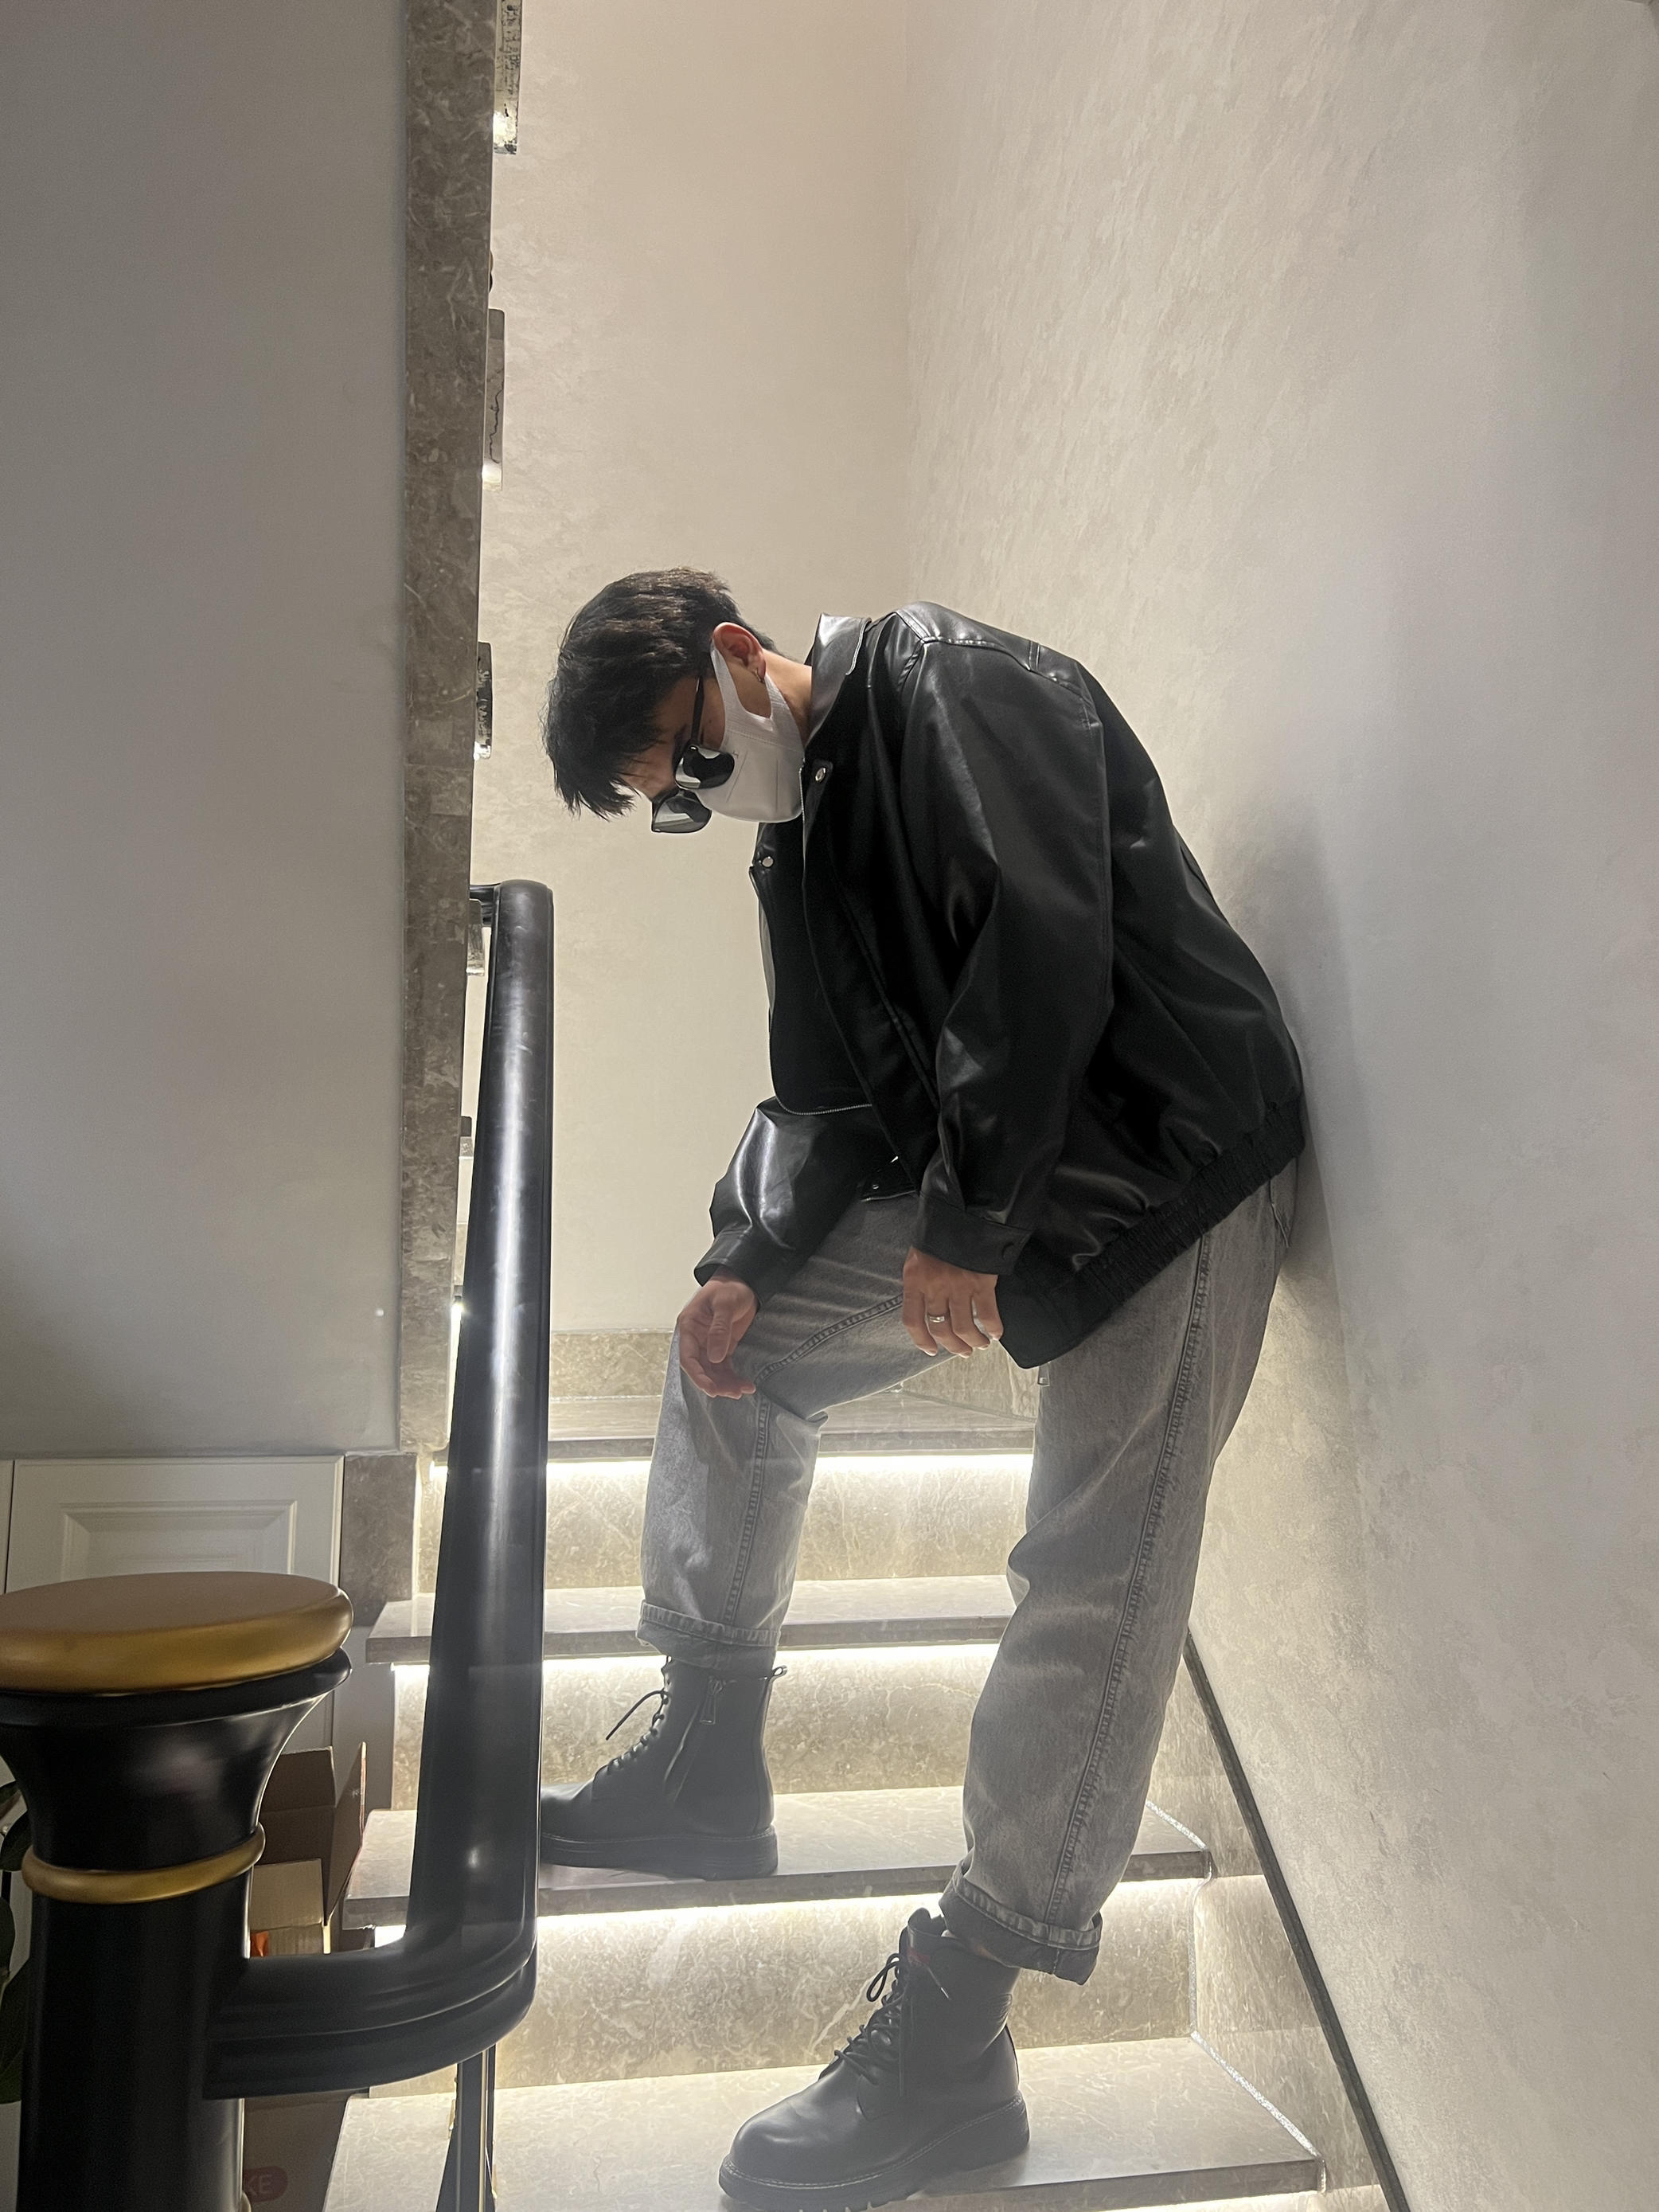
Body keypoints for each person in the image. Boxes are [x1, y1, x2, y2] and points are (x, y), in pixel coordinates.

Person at [537, 569, 1304, 2212]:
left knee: (1090, 1570)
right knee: (728, 1354)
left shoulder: (948, 682)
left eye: (687, 756)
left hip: (1168, 1158)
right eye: (668, 802)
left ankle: (962, 2029)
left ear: (736, 657)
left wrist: (970, 1219)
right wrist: (751, 1257)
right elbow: (824, 1097)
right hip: (1013, 1171)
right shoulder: (796, 844)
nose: (698, 796)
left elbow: (1042, 937)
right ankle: (707, 1751)